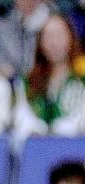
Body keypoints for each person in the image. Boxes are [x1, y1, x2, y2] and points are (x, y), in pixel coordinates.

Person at [14, 14, 85, 144]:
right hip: (39, 150)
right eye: (48, 36)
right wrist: (34, 130)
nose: (54, 43)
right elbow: (22, 118)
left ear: (71, 38)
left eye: (59, 35)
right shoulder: (28, 81)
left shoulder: (81, 77)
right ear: (40, 42)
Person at [0, 0, 54, 80]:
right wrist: (2, 65)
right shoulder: (4, 22)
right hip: (15, 80)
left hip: (46, 77)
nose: (28, 2)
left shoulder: (52, 20)